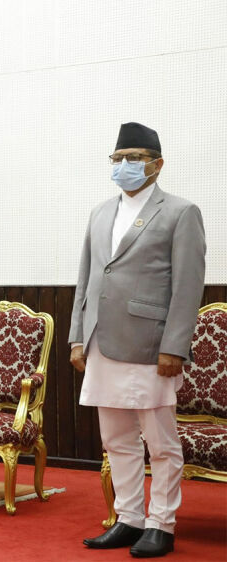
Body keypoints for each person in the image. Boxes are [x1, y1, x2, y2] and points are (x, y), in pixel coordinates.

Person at [72, 122, 205, 558]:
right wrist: (77, 337)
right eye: (118, 158)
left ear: (157, 164)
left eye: (134, 158)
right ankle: (128, 518)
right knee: (116, 440)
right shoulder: (100, 212)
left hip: (151, 346)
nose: (124, 165)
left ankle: (161, 524)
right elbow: (87, 279)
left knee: (161, 444)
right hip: (102, 343)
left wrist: (174, 346)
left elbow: (188, 287)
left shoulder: (181, 212)